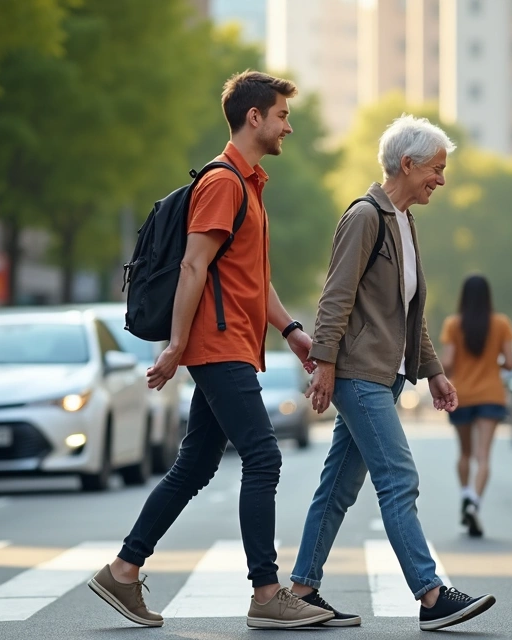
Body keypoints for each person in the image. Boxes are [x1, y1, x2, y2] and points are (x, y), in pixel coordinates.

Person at [87, 71, 332, 630]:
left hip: (235, 344)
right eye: (282, 116)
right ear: (254, 118)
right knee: (264, 458)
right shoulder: (223, 183)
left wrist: (292, 331)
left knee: (195, 464)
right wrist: (176, 345)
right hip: (217, 345)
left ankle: (123, 572)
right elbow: (193, 265)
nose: (287, 127)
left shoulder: (250, 186)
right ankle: (267, 592)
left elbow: (253, 279)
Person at [293, 115, 496, 631]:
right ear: (406, 164)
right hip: (360, 375)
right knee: (398, 478)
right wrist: (324, 365)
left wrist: (433, 372)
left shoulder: (405, 222)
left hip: (387, 375)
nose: (441, 180)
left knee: (337, 487)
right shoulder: (365, 216)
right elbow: (335, 298)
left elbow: (410, 313)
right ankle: (430, 596)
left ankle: (300, 591)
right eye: (436, 169)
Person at [439, 275, 512, 538]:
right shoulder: (501, 323)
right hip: (491, 396)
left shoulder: (453, 324)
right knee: (483, 457)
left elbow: (447, 363)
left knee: (464, 454)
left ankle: (464, 495)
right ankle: (474, 501)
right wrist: (493, 361)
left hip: (462, 396)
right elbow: (511, 363)